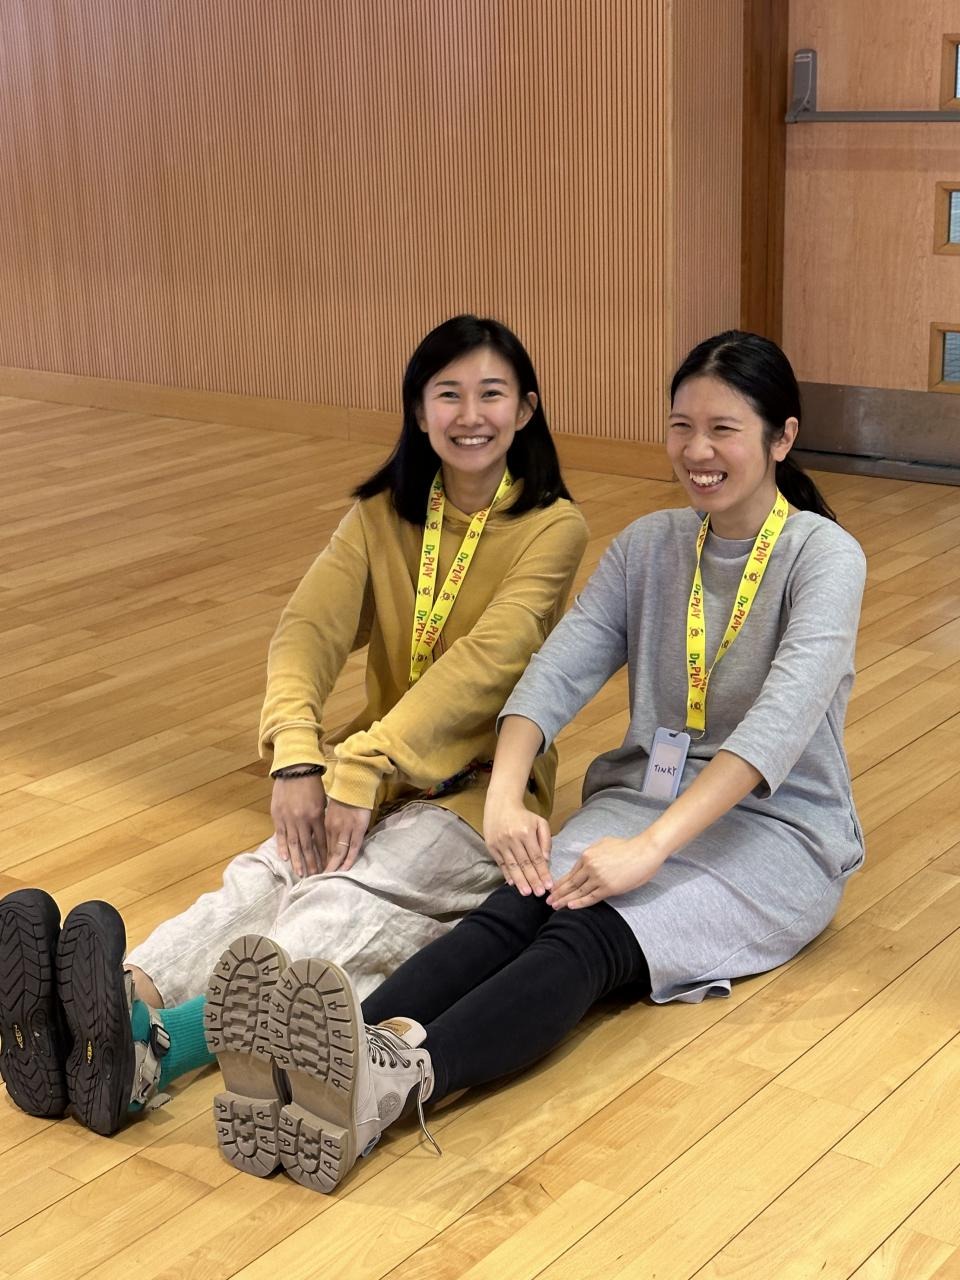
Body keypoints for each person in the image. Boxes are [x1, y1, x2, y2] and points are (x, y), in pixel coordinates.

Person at [225, 329, 868, 1194]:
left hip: (777, 832)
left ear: (782, 438)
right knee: (517, 905)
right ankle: (323, 1058)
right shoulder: (649, 545)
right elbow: (553, 673)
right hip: (640, 803)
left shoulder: (825, 556)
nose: (697, 452)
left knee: (587, 934)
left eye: (724, 430)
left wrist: (650, 850)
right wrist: (504, 793)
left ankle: (392, 1083)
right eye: (682, 426)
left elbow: (775, 730)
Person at [0, 315, 588, 1158]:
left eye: (491, 394)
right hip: (369, 774)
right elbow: (307, 630)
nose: (470, 415)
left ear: (525, 410)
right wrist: (297, 754)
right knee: (265, 875)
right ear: (417, 410)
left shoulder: (554, 527)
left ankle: (154, 1053)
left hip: (475, 798)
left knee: (343, 899)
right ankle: (115, 1003)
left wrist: (359, 765)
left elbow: (486, 667)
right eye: (447, 394)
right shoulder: (381, 514)